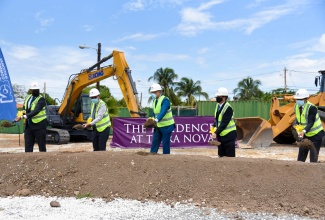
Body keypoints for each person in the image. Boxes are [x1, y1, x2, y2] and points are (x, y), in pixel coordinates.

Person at [293, 88, 325, 162]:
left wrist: (303, 131)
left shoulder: (312, 107)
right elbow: (298, 119)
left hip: (316, 135)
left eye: (300, 99)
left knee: (313, 158)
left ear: (305, 99)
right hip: (306, 134)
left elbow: (311, 122)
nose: (298, 101)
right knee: (300, 158)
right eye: (297, 99)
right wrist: (298, 130)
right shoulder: (296, 106)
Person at [14, 82, 47, 152]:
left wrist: (23, 117)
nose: (35, 91)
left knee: (41, 146)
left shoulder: (41, 99)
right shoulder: (28, 97)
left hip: (40, 126)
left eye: (36, 90)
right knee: (28, 146)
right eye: (34, 90)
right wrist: (20, 116)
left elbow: (36, 111)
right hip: (29, 126)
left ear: (39, 90)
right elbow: (24, 108)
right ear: (31, 90)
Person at [149, 83, 175, 154]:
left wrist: (156, 120)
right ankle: (152, 155)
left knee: (165, 143)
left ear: (159, 91)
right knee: (155, 142)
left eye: (154, 92)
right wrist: (151, 119)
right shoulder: (154, 101)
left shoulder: (165, 100)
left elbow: (163, 111)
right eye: (152, 92)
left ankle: (166, 159)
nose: (153, 94)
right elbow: (155, 112)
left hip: (167, 126)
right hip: (158, 126)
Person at [211, 87, 237, 157]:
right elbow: (217, 119)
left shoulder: (228, 108)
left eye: (218, 96)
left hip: (229, 135)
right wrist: (213, 127)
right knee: (221, 155)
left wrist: (216, 133)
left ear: (224, 98)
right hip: (221, 135)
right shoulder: (217, 106)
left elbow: (224, 123)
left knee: (229, 157)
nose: (217, 98)